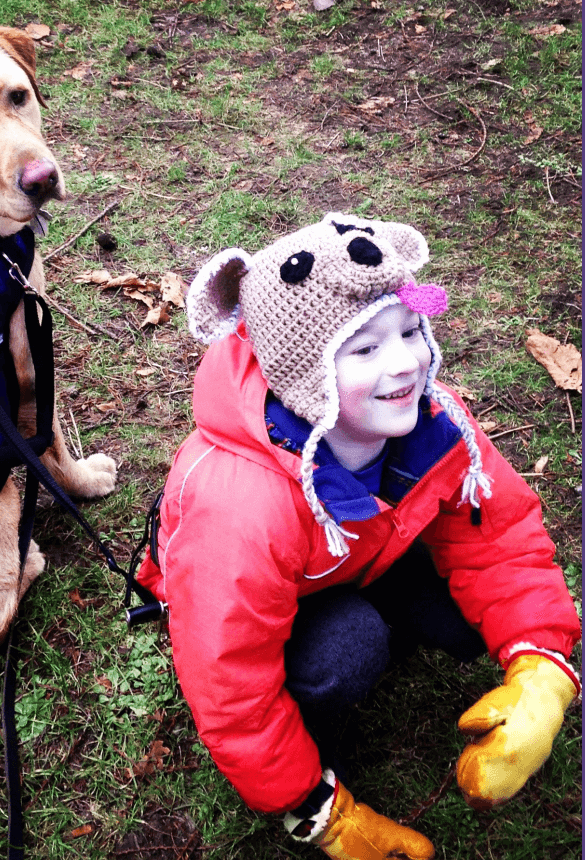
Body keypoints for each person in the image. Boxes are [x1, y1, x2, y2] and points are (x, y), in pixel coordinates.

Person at [136, 213, 581, 859]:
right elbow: (230, 678)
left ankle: (392, 626)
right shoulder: (241, 506)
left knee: (466, 618)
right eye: (365, 348)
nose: (404, 363)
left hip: (355, 555)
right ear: (303, 374)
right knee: (348, 649)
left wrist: (542, 669)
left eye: (409, 331)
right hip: (271, 588)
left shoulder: (434, 417)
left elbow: (500, 536)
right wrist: (317, 812)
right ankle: (316, 757)